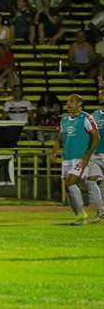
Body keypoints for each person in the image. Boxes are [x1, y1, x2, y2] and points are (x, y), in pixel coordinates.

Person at [51, 94, 101, 226]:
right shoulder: (65, 120)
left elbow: (96, 138)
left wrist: (88, 155)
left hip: (79, 157)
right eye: (67, 101)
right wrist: (53, 152)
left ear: (79, 104)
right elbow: (59, 139)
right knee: (68, 188)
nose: (68, 103)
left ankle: (81, 215)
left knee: (70, 182)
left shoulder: (86, 118)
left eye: (72, 101)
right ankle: (79, 214)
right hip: (66, 158)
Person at [86, 88, 104, 223]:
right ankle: (101, 210)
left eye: (102, 94)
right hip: (96, 153)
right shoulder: (95, 114)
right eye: (99, 94)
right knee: (90, 181)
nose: (100, 96)